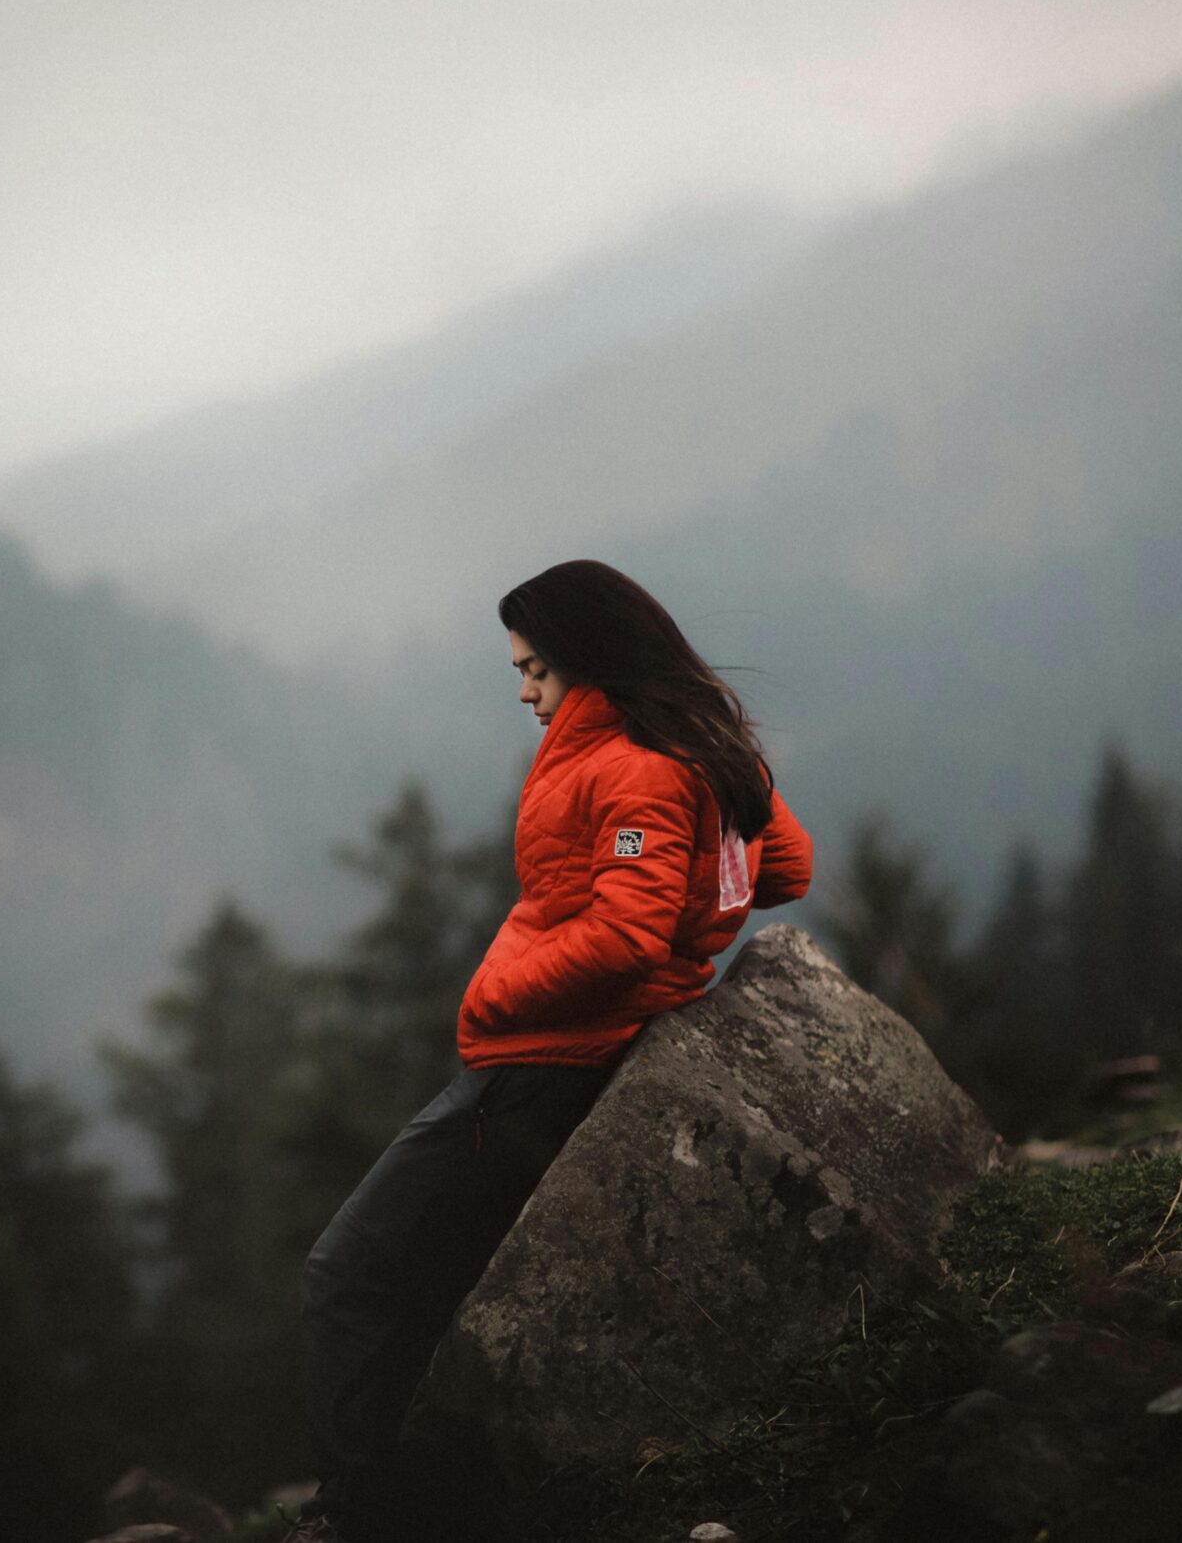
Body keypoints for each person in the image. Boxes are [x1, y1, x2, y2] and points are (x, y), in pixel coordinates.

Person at [288, 560, 813, 1543]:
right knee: (425, 1288)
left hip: (543, 1068)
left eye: (534, 670)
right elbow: (780, 865)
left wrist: (494, 991)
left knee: (348, 1276)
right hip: (563, 1058)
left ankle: (349, 1520)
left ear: (588, 662)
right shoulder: (684, 749)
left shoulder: (638, 767)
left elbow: (626, 934)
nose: (523, 691)